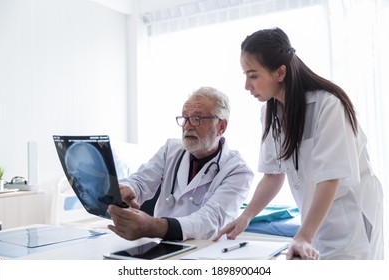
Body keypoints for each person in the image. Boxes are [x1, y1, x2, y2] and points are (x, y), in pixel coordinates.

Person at [214, 27, 384, 260]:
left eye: (253, 75)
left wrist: (304, 236)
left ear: (280, 72)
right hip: (315, 222)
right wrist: (246, 217)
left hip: (349, 222)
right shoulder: (269, 113)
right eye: (245, 75)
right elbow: (273, 175)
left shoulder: (329, 105)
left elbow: (330, 178)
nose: (247, 86)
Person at [107, 86, 254, 241]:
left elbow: (210, 220)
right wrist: (129, 189)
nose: (187, 126)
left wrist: (154, 226)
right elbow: (141, 180)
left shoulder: (238, 170)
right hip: (161, 245)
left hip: (205, 251)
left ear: (221, 127)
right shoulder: (171, 149)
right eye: (185, 118)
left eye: (197, 119)